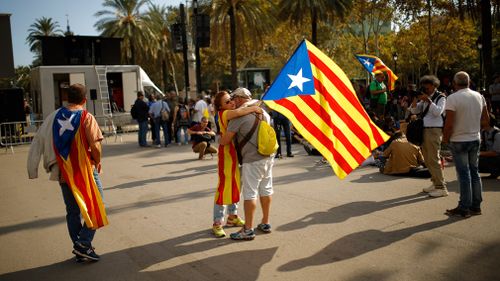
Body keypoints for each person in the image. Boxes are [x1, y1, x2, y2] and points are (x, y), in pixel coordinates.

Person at [27, 83, 107, 262]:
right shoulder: (86, 116)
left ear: (66, 99)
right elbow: (95, 144)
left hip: (63, 172)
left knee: (72, 211)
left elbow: (37, 141)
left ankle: (80, 248)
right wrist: (97, 161)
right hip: (84, 171)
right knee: (97, 205)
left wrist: (32, 169)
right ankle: (84, 243)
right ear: (84, 100)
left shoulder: (53, 117)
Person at [220, 87, 275, 240]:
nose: (233, 102)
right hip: (268, 156)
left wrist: (219, 136)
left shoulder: (238, 117)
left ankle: (248, 229)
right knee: (266, 189)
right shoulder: (263, 112)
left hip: (252, 159)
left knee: (250, 194)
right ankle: (265, 222)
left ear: (239, 99)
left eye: (234, 99)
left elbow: (225, 140)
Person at [211, 89, 263, 238]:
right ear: (221, 107)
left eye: (232, 99)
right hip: (227, 156)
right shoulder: (225, 113)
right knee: (223, 188)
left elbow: (240, 110)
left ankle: (232, 216)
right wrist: (254, 107)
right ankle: (217, 222)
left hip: (236, 155)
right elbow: (239, 113)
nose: (232, 102)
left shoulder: (230, 111)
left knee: (236, 186)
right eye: (227, 101)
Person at [442, 71, 490, 218]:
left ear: (455, 83)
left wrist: (445, 138)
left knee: (464, 174)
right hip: (475, 138)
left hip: (459, 140)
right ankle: (476, 206)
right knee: (474, 172)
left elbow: (449, 124)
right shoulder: (479, 96)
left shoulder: (452, 98)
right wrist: (474, 128)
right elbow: (486, 120)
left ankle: (464, 208)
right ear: (469, 82)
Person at [409, 75, 447, 197]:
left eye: (427, 86)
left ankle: (442, 188)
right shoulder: (426, 97)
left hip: (434, 130)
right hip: (424, 130)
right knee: (427, 159)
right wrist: (416, 98)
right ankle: (435, 182)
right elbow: (414, 111)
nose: (425, 88)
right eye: (424, 86)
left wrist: (428, 101)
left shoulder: (440, 97)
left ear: (434, 86)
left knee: (434, 159)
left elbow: (437, 112)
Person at [479, 114, 500, 179]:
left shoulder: (497, 134)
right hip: (490, 156)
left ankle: (496, 172)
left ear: (487, 121)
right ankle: (493, 173)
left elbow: (495, 153)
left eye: (482, 119)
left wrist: (478, 153)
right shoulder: (483, 132)